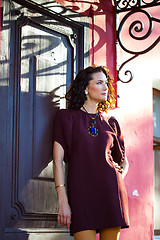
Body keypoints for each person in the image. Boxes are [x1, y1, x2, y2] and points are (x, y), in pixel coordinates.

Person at [53, 65, 130, 240]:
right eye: (100, 83)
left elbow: (124, 160)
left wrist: (117, 177)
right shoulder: (66, 118)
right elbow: (57, 161)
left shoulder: (112, 122)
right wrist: (63, 201)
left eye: (106, 83)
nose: (106, 87)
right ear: (86, 88)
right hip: (81, 195)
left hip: (110, 194)